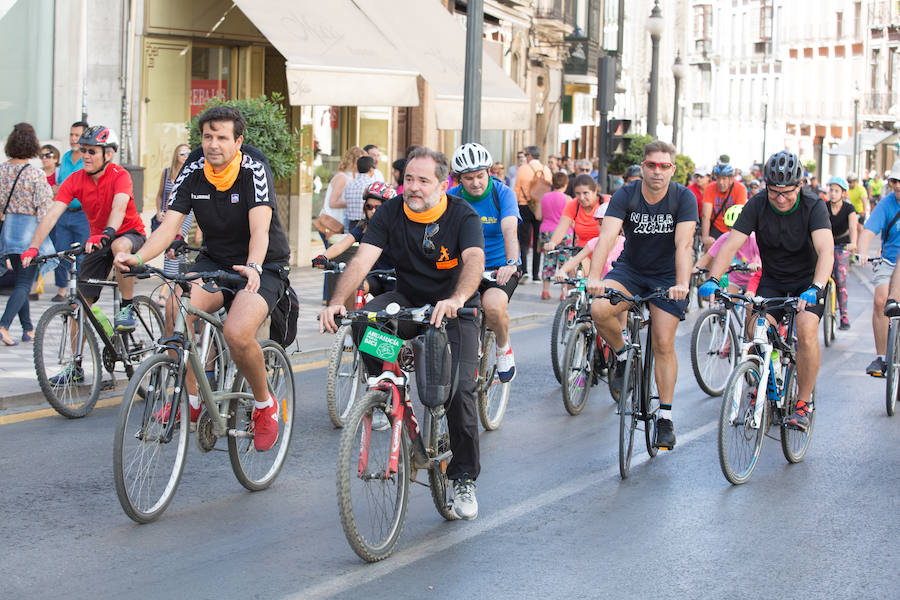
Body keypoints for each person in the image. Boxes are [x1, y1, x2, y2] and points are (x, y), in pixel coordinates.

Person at [318, 146, 486, 520]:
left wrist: (458, 298)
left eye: (423, 180)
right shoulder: (392, 211)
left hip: (454, 309)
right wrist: (336, 301)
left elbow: (474, 260)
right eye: (409, 179)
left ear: (444, 185)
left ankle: (463, 478)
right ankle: (388, 380)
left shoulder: (463, 215)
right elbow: (363, 258)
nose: (413, 187)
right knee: (362, 320)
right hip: (409, 299)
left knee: (459, 392)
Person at [115, 106, 290, 452]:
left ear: (238, 141)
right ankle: (192, 403)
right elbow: (169, 226)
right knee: (175, 311)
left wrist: (254, 266)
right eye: (208, 137)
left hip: (262, 265)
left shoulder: (253, 167)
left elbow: (260, 229)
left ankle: (263, 405)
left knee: (237, 333)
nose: (213, 145)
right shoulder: (194, 167)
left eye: (222, 138)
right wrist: (137, 257)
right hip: (214, 260)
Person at [701, 150, 833, 431]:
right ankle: (767, 380)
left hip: (809, 281)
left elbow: (826, 251)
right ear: (766, 187)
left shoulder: (814, 206)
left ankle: (802, 403)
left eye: (787, 192)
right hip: (772, 279)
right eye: (774, 192)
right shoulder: (758, 204)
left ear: (799, 186)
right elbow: (730, 245)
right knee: (754, 331)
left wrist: (817, 286)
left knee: (807, 330)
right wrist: (714, 278)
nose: (781, 198)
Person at [587, 141, 698, 448]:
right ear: (643, 167)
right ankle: (622, 354)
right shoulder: (627, 194)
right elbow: (607, 236)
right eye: (652, 165)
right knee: (598, 309)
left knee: (663, 341)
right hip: (631, 271)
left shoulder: (683, 197)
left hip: (667, 277)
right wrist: (594, 277)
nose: (657, 172)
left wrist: (682, 283)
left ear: (672, 169)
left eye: (664, 166)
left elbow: (684, 244)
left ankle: (665, 417)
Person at [23, 125, 146, 337]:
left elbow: (119, 207)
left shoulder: (120, 175)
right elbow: (52, 214)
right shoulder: (75, 179)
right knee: (78, 308)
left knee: (119, 245)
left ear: (108, 154)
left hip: (129, 233)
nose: (85, 156)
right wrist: (33, 248)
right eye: (83, 150)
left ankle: (127, 306)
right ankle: (74, 365)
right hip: (97, 240)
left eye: (92, 151)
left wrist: (107, 232)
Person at [448, 142, 521, 382]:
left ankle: (502, 345)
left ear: (489, 172)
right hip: (465, 268)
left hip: (498, 267)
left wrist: (511, 263)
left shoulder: (502, 193)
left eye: (480, 176)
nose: (476, 183)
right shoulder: (451, 198)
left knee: (492, 307)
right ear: (459, 179)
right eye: (469, 178)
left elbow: (509, 228)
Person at [0, 124, 55, 346]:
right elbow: (44, 209)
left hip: (9, 232)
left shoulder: (2, 170)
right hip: (30, 234)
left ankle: (28, 329)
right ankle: (3, 325)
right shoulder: (35, 174)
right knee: (25, 283)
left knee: (21, 282)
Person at [312, 181, 396, 303]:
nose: (372, 211)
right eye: (369, 207)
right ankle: (351, 319)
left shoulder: (397, 228)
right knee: (354, 287)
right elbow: (341, 245)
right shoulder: (363, 228)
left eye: (378, 207)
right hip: (375, 279)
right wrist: (323, 257)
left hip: (396, 281)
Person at [855, 160, 900, 376]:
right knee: (881, 301)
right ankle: (881, 358)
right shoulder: (886, 204)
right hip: (890, 262)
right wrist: (863, 251)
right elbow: (868, 232)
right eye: (894, 181)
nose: (898, 185)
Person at [48, 121, 91, 302]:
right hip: (64, 211)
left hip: (82, 213)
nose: (73, 139)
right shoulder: (65, 157)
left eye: (77, 135)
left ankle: (81, 292)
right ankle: (61, 290)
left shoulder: (88, 159)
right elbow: (59, 183)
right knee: (60, 251)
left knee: (81, 255)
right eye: (71, 135)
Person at [154, 143, 196, 304]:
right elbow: (160, 196)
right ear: (176, 156)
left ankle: (164, 292)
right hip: (168, 215)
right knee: (179, 252)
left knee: (173, 245)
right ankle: (182, 284)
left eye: (188, 153)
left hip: (185, 215)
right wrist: (159, 212)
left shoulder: (190, 173)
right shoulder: (167, 173)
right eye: (182, 153)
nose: (185, 156)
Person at [693, 205, 761, 295]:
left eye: (737, 229)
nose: (733, 232)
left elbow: (766, 259)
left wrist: (756, 265)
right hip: (733, 278)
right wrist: (694, 269)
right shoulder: (725, 237)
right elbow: (708, 257)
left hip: (752, 279)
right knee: (724, 299)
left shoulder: (753, 239)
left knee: (750, 305)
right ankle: (716, 307)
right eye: (730, 228)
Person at [512, 145, 549, 282]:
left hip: (525, 205)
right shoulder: (547, 170)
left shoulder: (522, 169)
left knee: (524, 240)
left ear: (529, 156)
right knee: (538, 240)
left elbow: (516, 188)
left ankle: (524, 270)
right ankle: (536, 275)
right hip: (541, 207)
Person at [542, 174, 602, 257]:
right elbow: (562, 228)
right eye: (578, 193)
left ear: (595, 191)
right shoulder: (574, 204)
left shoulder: (605, 202)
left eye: (585, 193)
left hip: (603, 251)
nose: (581, 197)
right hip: (582, 251)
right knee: (573, 267)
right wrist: (553, 242)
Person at [825, 176, 858, 330]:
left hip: (843, 246)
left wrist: (853, 243)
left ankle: (844, 315)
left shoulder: (849, 208)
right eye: (831, 190)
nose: (832, 193)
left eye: (836, 191)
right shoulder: (823, 207)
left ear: (843, 193)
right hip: (826, 245)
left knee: (840, 278)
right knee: (820, 278)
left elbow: (853, 227)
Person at [317, 146, 365, 246]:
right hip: (332, 223)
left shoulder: (352, 177)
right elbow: (332, 202)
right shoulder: (342, 177)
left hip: (339, 224)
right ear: (353, 160)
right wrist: (352, 202)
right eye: (359, 160)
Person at [540, 171, 574, 300]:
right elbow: (571, 219)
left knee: (548, 260)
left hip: (546, 231)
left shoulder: (545, 197)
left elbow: (539, 216)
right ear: (566, 184)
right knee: (564, 261)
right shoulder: (568, 199)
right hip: (565, 233)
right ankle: (563, 292)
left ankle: (545, 291)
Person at [701, 162, 747, 249]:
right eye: (718, 178)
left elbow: (739, 215)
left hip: (732, 229)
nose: (721, 182)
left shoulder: (740, 189)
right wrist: (705, 237)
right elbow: (705, 216)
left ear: (731, 179)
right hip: (716, 227)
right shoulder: (710, 188)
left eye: (724, 178)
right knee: (709, 251)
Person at [342, 155, 377, 231]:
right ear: (371, 170)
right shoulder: (372, 185)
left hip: (351, 224)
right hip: (366, 224)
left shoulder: (349, 184)